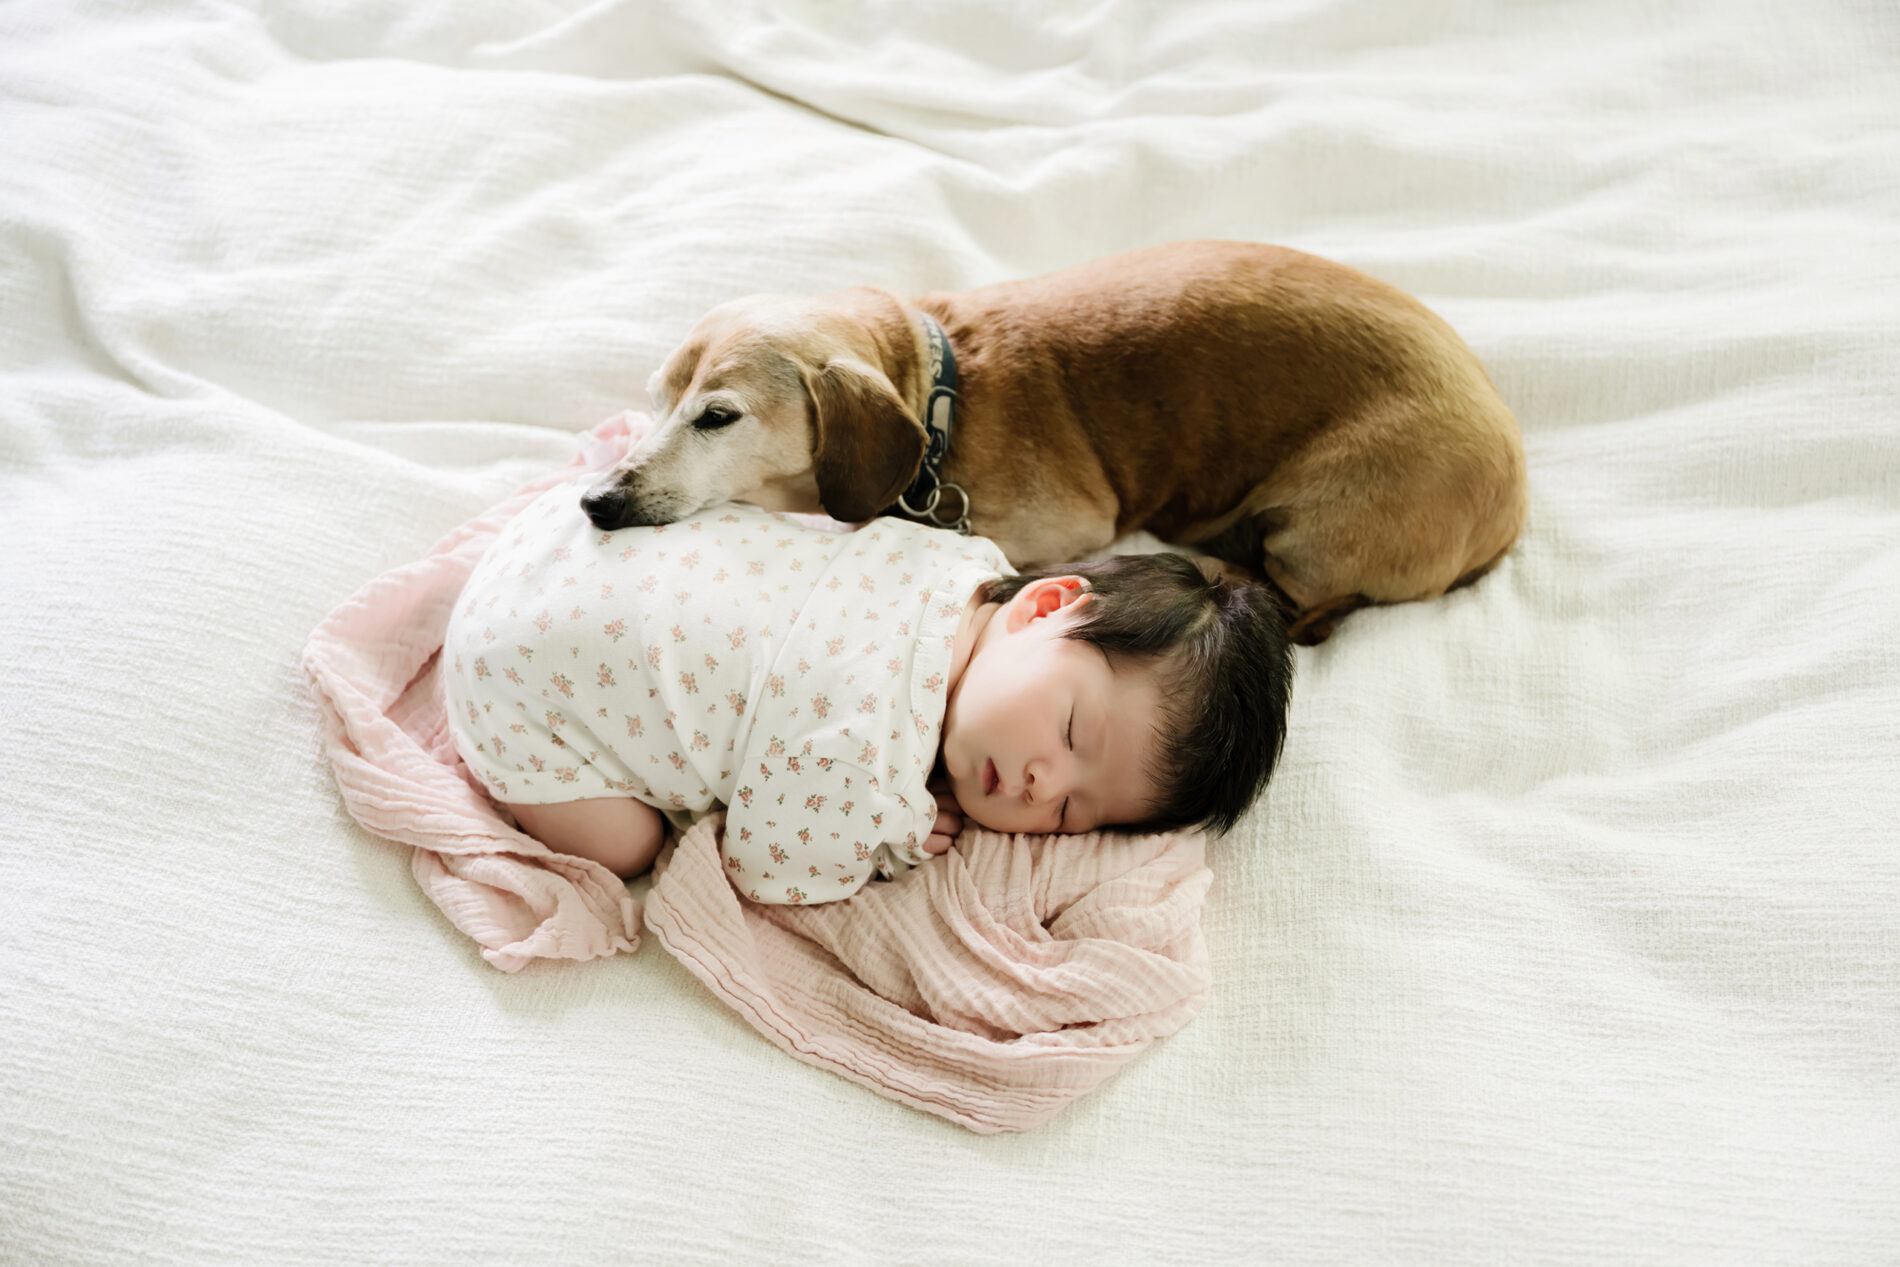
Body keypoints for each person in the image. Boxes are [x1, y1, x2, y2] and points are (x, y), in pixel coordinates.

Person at [442, 475, 1293, 904]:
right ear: (1044, 605)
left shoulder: (952, 557)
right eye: (1073, 732)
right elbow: (762, 863)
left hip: (565, 536)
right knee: (625, 847)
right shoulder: (868, 773)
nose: (1044, 785)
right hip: (508, 683)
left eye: (1074, 813)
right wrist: (891, 840)